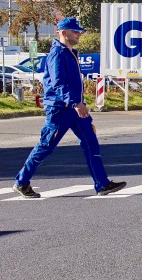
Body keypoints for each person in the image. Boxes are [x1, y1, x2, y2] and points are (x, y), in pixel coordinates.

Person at [15, 18, 126, 198]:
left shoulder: (69, 52)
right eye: (75, 31)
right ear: (63, 33)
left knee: (91, 143)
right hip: (60, 109)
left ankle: (102, 184)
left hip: (74, 109)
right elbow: (58, 84)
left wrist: (77, 104)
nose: (79, 34)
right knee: (46, 145)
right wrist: (75, 103)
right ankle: (21, 181)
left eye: (79, 31)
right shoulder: (57, 54)